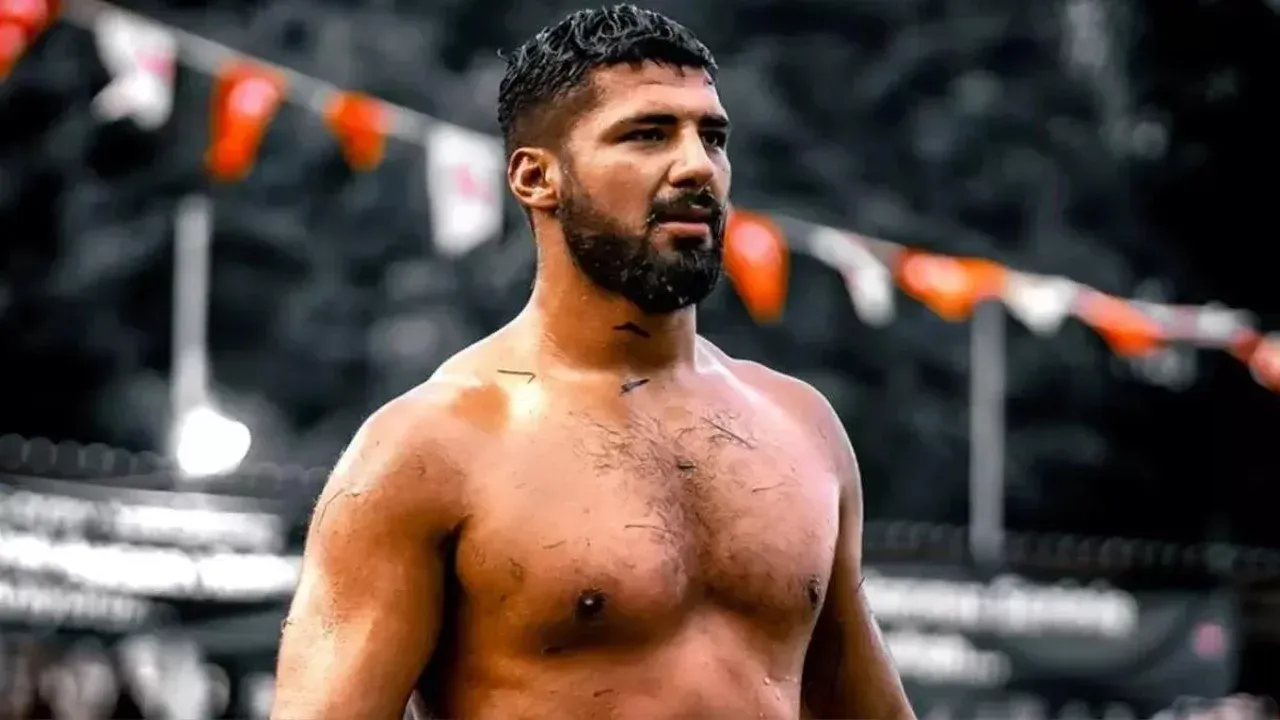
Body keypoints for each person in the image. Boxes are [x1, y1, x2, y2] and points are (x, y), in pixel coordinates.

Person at [271, 5, 914, 719]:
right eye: (648, 134)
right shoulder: (429, 447)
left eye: (712, 136)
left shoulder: (802, 427)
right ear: (536, 177)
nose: (698, 166)